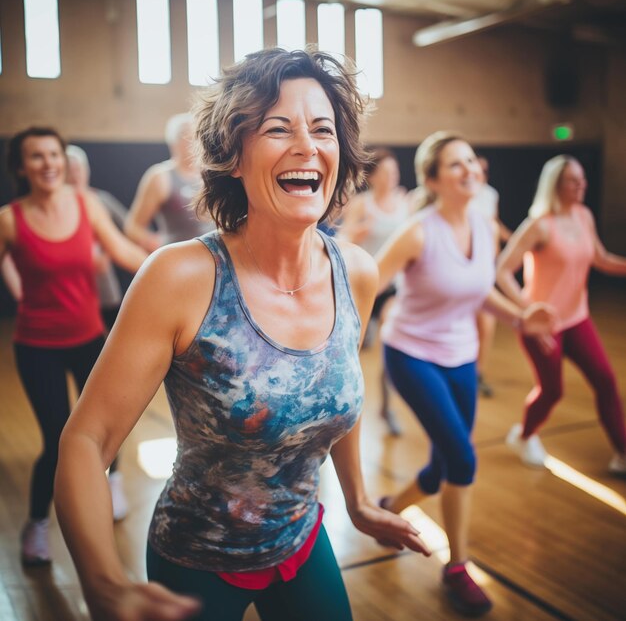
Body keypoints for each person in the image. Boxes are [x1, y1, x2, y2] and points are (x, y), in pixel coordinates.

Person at [54, 48, 431, 621]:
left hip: (303, 543)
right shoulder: (181, 277)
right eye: (279, 128)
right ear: (232, 154)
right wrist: (103, 582)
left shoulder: (355, 271)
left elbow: (338, 395)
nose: (306, 145)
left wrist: (356, 501)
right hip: (194, 559)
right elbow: (85, 441)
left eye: (323, 129)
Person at [375, 131, 554, 617]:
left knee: (441, 468)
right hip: (411, 354)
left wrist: (521, 318)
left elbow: (479, 290)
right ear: (432, 180)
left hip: (462, 357)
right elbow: (368, 280)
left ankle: (389, 510)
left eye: (472, 160)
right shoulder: (418, 231)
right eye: (455, 164)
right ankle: (457, 566)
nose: (469, 169)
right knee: (463, 458)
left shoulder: (480, 221)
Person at [0, 126, 146, 566]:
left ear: (64, 161)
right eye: (36, 157)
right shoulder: (9, 218)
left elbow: (124, 251)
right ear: (21, 167)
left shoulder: (87, 205)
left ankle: (113, 478)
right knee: (58, 439)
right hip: (36, 344)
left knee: (108, 423)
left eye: (53, 154)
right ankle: (38, 525)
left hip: (89, 340)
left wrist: (186, 271)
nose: (48, 164)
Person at [496, 155, 626, 471]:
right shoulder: (540, 226)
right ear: (556, 184)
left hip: (577, 318)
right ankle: (524, 435)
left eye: (582, 179)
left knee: (606, 380)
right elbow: (501, 271)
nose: (581, 185)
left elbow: (602, 258)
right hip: (542, 326)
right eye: (573, 180)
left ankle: (623, 454)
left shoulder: (583, 215)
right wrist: (529, 314)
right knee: (552, 392)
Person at [65, 144, 129, 519]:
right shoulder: (55, 208)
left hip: (105, 299)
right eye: (69, 168)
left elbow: (125, 232)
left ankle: (112, 476)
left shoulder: (100, 201)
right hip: (72, 308)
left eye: (79, 168)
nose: (75, 174)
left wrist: (106, 253)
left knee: (109, 388)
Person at [339, 148, 413, 435]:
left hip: (392, 285)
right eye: (385, 173)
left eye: (394, 172)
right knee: (353, 349)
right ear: (374, 177)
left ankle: (386, 406)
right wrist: (354, 234)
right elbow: (344, 236)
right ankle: (346, 409)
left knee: (388, 341)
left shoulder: (406, 203)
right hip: (363, 285)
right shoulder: (362, 204)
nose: (391, 178)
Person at [124, 113, 214, 251]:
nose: (193, 141)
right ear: (175, 141)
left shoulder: (211, 175)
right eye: (187, 136)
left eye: (196, 136)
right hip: (178, 262)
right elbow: (133, 227)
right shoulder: (160, 177)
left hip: (213, 260)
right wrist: (155, 244)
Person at [469, 155, 511, 398]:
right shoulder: (460, 194)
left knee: (486, 323)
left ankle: (478, 373)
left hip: (485, 267)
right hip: (463, 267)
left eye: (483, 169)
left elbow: (495, 224)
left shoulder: (489, 195)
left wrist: (515, 240)